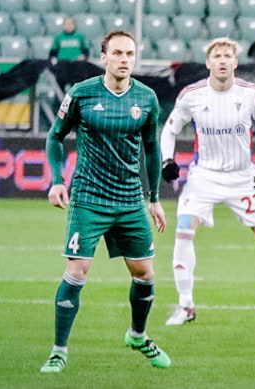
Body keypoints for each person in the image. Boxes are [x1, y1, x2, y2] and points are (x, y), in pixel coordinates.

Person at [40, 30, 171, 373]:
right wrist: (56, 180)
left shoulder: (146, 98)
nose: (125, 59)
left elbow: (152, 150)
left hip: (129, 199)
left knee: (145, 274)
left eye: (130, 53)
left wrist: (154, 198)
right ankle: (58, 350)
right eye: (118, 53)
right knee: (77, 270)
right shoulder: (82, 94)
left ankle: (138, 335)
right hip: (89, 197)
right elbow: (55, 137)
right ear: (104, 57)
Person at [160, 37, 255, 326]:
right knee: (184, 231)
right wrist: (167, 160)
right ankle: (185, 305)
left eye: (227, 56)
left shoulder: (250, 93)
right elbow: (170, 130)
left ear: (235, 63)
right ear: (208, 62)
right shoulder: (192, 94)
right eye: (216, 56)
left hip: (242, 176)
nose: (222, 60)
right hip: (203, 176)